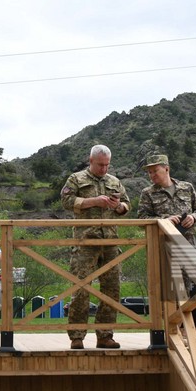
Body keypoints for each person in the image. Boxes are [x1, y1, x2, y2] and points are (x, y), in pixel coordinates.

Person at [60, 145, 130, 350]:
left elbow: (126, 205)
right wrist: (93, 201)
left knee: (111, 290)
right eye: (100, 165)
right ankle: (77, 336)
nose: (104, 169)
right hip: (85, 242)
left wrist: (118, 206)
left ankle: (105, 335)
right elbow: (65, 200)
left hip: (110, 242)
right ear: (90, 161)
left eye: (107, 165)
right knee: (81, 289)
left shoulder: (114, 181)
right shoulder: (76, 179)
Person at [137, 153, 196, 331]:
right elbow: (142, 218)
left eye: (155, 171)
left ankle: (191, 325)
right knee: (170, 287)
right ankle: (173, 327)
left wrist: (193, 217)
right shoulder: (148, 193)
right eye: (149, 172)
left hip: (189, 245)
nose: (152, 175)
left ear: (166, 169)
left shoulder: (187, 187)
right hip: (163, 247)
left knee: (195, 285)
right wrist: (165, 219)